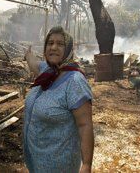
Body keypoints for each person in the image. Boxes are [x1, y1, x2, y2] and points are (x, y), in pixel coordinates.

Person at [24, 26, 94, 173]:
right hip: (36, 160)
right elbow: (34, 65)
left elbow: (85, 125)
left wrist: (86, 164)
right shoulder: (47, 71)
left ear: (68, 49)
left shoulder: (75, 81)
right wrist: (28, 55)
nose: (54, 47)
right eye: (50, 43)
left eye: (60, 44)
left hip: (59, 164)